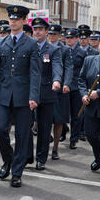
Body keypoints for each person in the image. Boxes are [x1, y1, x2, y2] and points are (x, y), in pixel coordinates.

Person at [0, 5, 41, 188]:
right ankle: (8, 160)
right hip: (3, 94)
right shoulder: (1, 42)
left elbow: (35, 73)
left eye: (17, 18)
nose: (13, 21)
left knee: (23, 135)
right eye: (11, 18)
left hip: (24, 97)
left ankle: (17, 173)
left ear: (24, 21)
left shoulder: (32, 44)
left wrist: (34, 96)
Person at [26, 18, 62, 170]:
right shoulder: (27, 47)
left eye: (41, 29)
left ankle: (41, 158)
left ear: (47, 32)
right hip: (28, 94)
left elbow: (57, 66)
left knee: (44, 128)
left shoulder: (53, 50)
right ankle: (27, 156)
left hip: (47, 93)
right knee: (25, 126)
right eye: (35, 29)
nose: (38, 31)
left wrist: (57, 80)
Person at [79, 35, 100, 179]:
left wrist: (99, 93)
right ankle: (99, 158)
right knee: (91, 135)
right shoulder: (89, 60)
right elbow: (81, 79)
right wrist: (83, 94)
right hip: (91, 107)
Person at [48, 24, 73, 160]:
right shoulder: (42, 47)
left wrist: (67, 83)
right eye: (50, 34)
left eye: (54, 34)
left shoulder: (65, 50)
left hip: (59, 90)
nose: (52, 36)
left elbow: (69, 68)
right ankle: (46, 142)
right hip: (45, 89)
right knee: (42, 121)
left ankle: (55, 149)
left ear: (59, 35)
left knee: (58, 121)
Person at [64, 28, 86, 150]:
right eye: (67, 38)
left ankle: (74, 138)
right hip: (65, 86)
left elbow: (84, 72)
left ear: (77, 39)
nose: (69, 40)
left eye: (72, 38)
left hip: (76, 87)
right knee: (62, 113)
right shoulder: (62, 50)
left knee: (76, 115)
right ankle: (62, 132)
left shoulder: (82, 53)